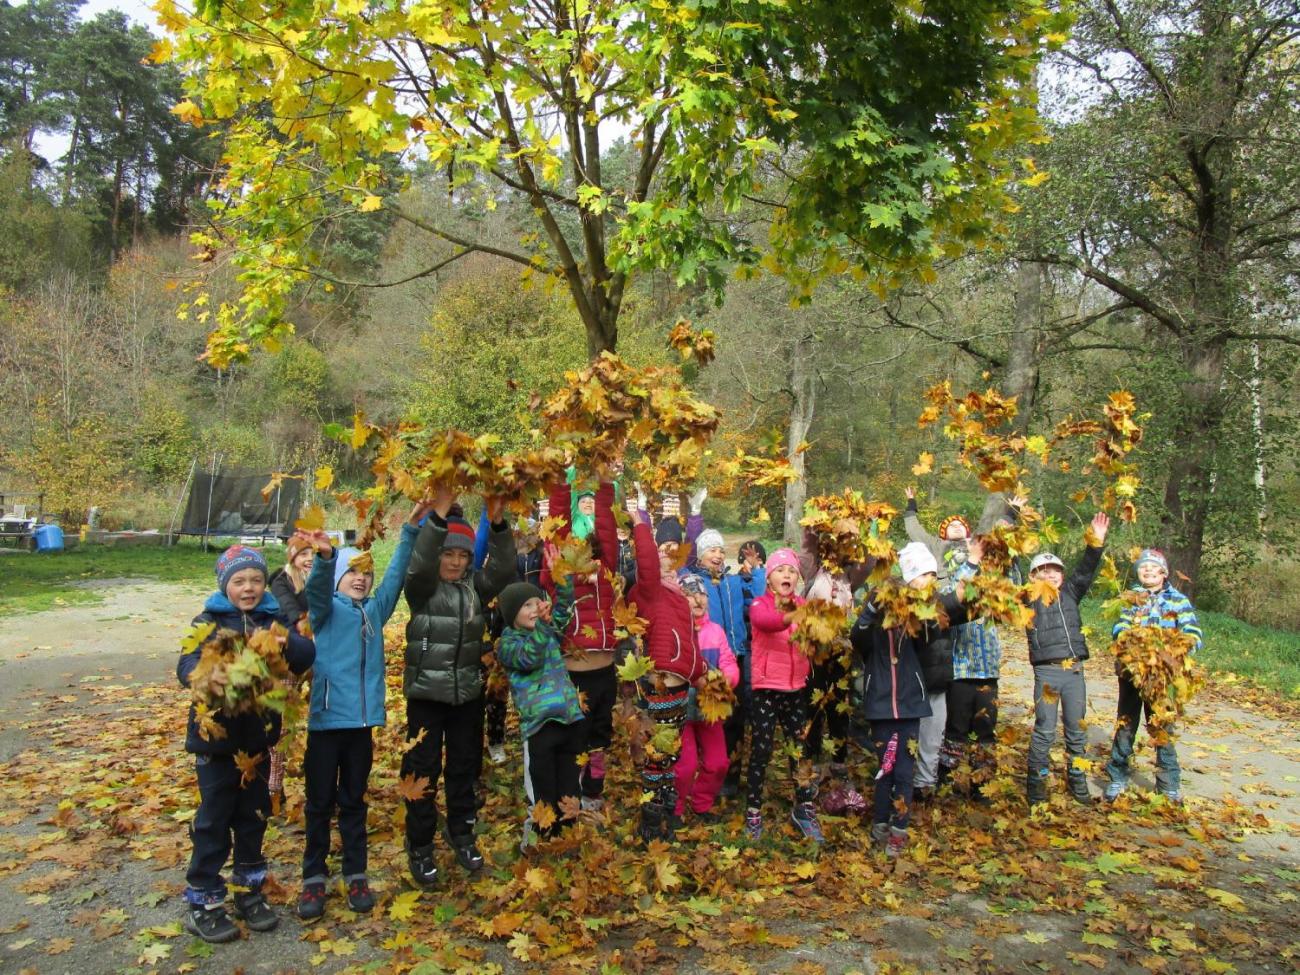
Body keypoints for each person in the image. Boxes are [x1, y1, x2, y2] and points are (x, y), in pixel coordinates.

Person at [295, 503, 427, 919]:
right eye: (353, 573)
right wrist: (328, 558)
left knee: (353, 801)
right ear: (339, 579)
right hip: (325, 724)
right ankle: (313, 878)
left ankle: (355, 874)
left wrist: (408, 531)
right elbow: (315, 590)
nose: (361, 578)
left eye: (365, 573)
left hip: (360, 729)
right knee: (319, 803)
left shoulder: (375, 610)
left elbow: (395, 579)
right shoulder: (326, 611)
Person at [177, 545, 315, 943]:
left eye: (255, 579)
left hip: (257, 741)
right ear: (226, 585)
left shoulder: (274, 618)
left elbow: (306, 655)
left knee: (253, 818)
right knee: (213, 820)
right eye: (239, 581)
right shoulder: (207, 621)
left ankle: (249, 891)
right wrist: (207, 676)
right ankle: (203, 899)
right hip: (216, 745)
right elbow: (185, 666)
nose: (249, 587)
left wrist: (281, 639)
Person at [401, 488, 516, 886]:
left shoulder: (474, 587)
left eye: (463, 555)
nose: (454, 561)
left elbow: (503, 569)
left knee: (465, 766)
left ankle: (462, 831)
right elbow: (415, 565)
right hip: (425, 696)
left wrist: (498, 525)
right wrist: (435, 516)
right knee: (422, 768)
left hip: (466, 692)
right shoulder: (421, 588)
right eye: (448, 553)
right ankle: (419, 843)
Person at [850, 540, 982, 857]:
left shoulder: (923, 621)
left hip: (910, 702)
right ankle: (880, 823)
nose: (931, 583)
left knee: (905, 770)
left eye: (934, 577)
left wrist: (974, 568)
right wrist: (872, 607)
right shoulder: (879, 616)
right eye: (925, 576)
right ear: (910, 578)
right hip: (881, 702)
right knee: (886, 768)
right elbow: (858, 636)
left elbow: (951, 607)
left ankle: (899, 828)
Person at [627, 509, 707, 842]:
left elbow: (691, 642)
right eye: (661, 553)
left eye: (671, 554)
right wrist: (642, 525)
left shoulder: (678, 596)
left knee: (670, 755)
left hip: (679, 690)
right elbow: (646, 562)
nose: (665, 559)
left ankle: (665, 812)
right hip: (657, 687)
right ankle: (650, 820)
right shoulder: (649, 591)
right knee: (657, 756)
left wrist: (701, 674)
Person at [542, 479, 621, 810]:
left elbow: (607, 523)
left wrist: (606, 481)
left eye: (587, 545)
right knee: (575, 738)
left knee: (599, 739)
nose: (581, 551)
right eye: (573, 546)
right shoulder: (556, 575)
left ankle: (593, 792)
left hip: (605, 674)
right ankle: (569, 795)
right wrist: (561, 481)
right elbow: (557, 524)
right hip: (573, 675)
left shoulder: (606, 573)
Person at [1025, 512, 1110, 807]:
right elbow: (1009, 569)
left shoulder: (1070, 593)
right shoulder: (1028, 599)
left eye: (1055, 571)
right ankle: (1038, 785)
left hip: (1074, 671)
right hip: (1047, 673)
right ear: (1033, 576)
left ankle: (1078, 782)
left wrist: (1095, 544)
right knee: (1044, 732)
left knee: (1076, 731)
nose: (1051, 575)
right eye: (1043, 571)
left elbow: (1086, 570)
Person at [1104, 548, 1202, 803]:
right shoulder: (1131, 598)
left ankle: (1169, 784)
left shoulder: (1178, 600)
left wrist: (1184, 644)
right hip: (1132, 674)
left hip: (1163, 677)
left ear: (1163, 572)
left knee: (1162, 728)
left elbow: (1192, 629)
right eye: (1142, 567)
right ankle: (1117, 776)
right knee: (1126, 724)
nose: (1147, 570)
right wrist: (1127, 637)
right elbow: (1120, 626)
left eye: (1153, 567)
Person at [496, 571, 586, 847]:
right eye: (526, 605)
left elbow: (563, 611)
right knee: (542, 792)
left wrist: (563, 578)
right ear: (512, 614)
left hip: (570, 720)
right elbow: (530, 658)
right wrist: (545, 627)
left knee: (570, 788)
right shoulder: (508, 644)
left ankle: (567, 838)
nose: (535, 608)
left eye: (537, 602)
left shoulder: (547, 631)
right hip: (539, 728)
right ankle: (540, 840)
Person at [744, 548, 823, 843]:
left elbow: (815, 637)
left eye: (791, 570)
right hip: (766, 689)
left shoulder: (804, 606)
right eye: (780, 570)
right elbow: (770, 623)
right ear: (769, 579)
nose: (787, 574)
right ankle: (753, 810)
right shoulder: (759, 605)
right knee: (762, 751)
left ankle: (803, 807)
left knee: (800, 751)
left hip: (796, 690)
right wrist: (795, 614)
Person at [798, 525, 870, 815]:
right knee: (812, 710)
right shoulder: (814, 571)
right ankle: (811, 765)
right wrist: (817, 527)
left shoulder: (849, 576)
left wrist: (865, 527)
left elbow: (870, 561)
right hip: (814, 652)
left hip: (840, 653)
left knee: (840, 710)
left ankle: (839, 764)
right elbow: (807, 549)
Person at [674, 574, 740, 823]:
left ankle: (701, 803)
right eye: (690, 594)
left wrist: (726, 680)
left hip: (710, 707)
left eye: (701, 593)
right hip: (681, 708)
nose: (697, 599)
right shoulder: (676, 633)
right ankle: (676, 808)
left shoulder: (716, 632)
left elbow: (729, 663)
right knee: (685, 765)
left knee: (718, 762)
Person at [266, 535, 315, 806]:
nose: (308, 559)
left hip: (317, 654)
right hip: (289, 656)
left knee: (322, 710)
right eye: (303, 554)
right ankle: (274, 785)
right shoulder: (281, 581)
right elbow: (292, 613)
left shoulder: (318, 579)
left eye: (312, 554)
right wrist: (305, 625)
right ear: (292, 557)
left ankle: (316, 769)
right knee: (282, 723)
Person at [722, 539, 767, 797]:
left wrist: (759, 572)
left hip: (760, 660)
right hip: (739, 656)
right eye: (747, 558)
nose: (751, 562)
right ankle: (731, 774)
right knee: (735, 720)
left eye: (757, 558)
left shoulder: (762, 583)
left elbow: (761, 601)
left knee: (757, 720)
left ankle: (755, 777)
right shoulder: (733, 584)